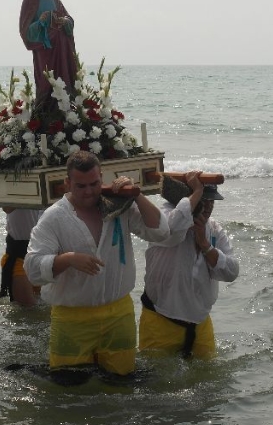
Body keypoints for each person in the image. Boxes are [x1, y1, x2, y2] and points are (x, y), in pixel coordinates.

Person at [24, 151, 169, 377]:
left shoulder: (118, 206)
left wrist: (137, 195)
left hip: (118, 313)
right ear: (67, 183)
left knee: (122, 382)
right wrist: (68, 259)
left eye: (94, 183)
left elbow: (160, 232)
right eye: (81, 186)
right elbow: (32, 269)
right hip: (72, 318)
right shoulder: (54, 217)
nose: (89, 191)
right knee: (69, 387)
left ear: (102, 177)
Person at [140, 172, 240, 360]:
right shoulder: (165, 216)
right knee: (156, 384)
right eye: (204, 199)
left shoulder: (214, 228)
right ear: (191, 198)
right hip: (161, 319)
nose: (209, 206)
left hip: (201, 322)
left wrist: (205, 244)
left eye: (212, 201)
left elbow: (232, 272)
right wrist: (196, 192)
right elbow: (172, 229)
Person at [19, 0, 77, 112]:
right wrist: (40, 22)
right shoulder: (30, 0)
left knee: (63, 80)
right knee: (46, 82)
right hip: (44, 49)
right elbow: (26, 31)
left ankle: (66, 111)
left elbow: (67, 16)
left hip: (61, 48)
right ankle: (45, 114)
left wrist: (65, 21)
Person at [0, 207, 42, 306]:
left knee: (45, 305)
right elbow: (6, 208)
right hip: (19, 256)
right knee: (28, 307)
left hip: (44, 254)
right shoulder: (17, 193)